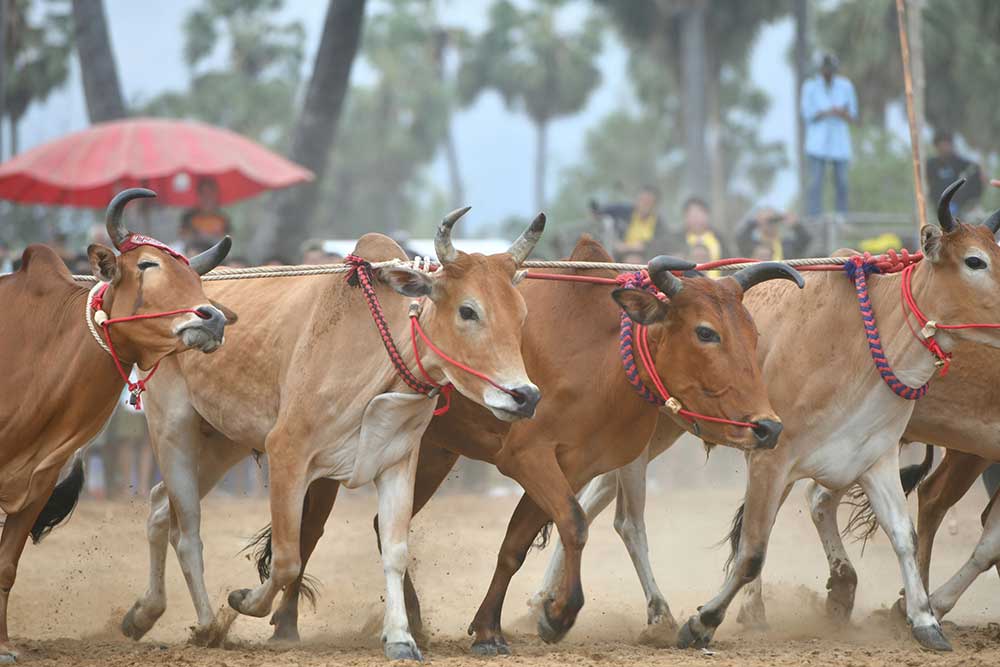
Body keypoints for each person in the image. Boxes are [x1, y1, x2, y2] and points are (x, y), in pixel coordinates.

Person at [801, 53, 857, 217]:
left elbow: (852, 114)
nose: (829, 72)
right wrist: (829, 111)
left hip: (839, 141)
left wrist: (840, 112)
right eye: (826, 69)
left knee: (842, 183)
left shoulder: (846, 86)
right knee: (815, 183)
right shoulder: (810, 86)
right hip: (817, 142)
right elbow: (807, 113)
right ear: (821, 69)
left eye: (831, 69)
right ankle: (814, 217)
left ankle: (842, 217)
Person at [590, 185, 665, 257]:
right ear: (637, 200)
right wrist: (597, 212)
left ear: (654, 204)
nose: (644, 204)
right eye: (642, 200)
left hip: (646, 257)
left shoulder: (658, 221)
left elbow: (661, 243)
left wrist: (639, 246)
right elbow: (602, 211)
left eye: (648, 202)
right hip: (620, 254)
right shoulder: (625, 211)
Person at [926, 130, 983, 215]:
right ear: (937, 147)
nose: (945, 148)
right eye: (942, 145)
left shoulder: (960, 163)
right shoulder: (931, 164)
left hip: (959, 205)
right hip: (939, 205)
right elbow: (929, 184)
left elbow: (975, 170)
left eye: (947, 144)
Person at [736, 208, 811, 260]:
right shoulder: (752, 245)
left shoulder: (787, 245)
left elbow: (805, 240)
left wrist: (796, 225)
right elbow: (740, 238)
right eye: (767, 221)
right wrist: (755, 222)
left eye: (773, 220)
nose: (770, 224)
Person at [179, 177, 231, 250]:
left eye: (210, 193)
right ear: (198, 196)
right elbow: (183, 236)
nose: (207, 197)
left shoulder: (222, 218)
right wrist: (197, 235)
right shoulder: (189, 217)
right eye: (203, 193)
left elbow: (228, 240)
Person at [680, 196, 725, 262]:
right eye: (693, 215)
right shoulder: (676, 240)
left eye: (700, 214)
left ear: (707, 215)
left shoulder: (719, 239)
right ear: (685, 217)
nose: (696, 219)